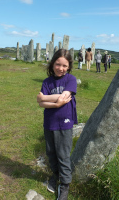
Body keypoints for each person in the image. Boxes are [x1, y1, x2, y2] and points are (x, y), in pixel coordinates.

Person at [37, 49, 77, 200]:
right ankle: (56, 175)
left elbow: (63, 96)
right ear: (52, 63)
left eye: (64, 65)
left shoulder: (71, 80)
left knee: (63, 155)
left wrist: (45, 98)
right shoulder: (47, 82)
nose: (61, 68)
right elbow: (41, 104)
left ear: (69, 67)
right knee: (51, 153)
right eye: (58, 64)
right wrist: (54, 103)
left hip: (65, 123)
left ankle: (65, 184)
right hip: (49, 122)